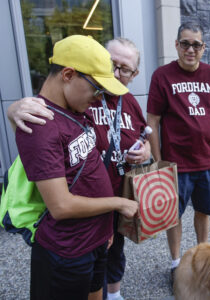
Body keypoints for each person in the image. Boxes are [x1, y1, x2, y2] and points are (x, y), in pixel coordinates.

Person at [8, 37, 151, 300]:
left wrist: (106, 228)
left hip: (96, 238)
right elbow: (61, 206)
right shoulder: (40, 123)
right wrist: (118, 203)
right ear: (68, 74)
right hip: (67, 250)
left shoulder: (75, 109)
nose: (100, 97)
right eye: (97, 89)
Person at [146, 22, 210, 281]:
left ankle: (202, 258)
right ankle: (176, 264)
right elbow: (152, 122)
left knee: (203, 211)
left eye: (196, 44)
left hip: (207, 161)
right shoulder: (162, 76)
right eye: (185, 43)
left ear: (203, 48)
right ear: (176, 45)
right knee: (173, 216)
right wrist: (158, 162)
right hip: (175, 164)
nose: (190, 49)